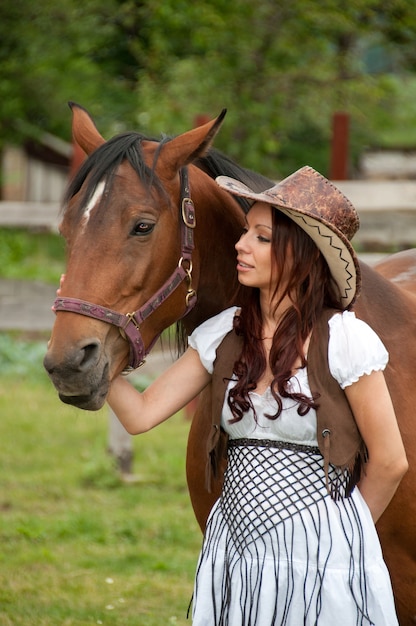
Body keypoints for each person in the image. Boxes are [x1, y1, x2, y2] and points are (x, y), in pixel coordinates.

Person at [106, 166, 407, 625]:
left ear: (302, 253)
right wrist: (93, 367)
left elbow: (390, 461)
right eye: (246, 232)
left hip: (322, 555)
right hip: (237, 549)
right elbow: (141, 414)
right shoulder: (222, 334)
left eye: (262, 238)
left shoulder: (347, 340)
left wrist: (342, 541)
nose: (241, 246)